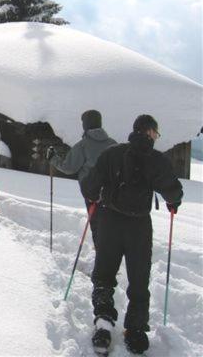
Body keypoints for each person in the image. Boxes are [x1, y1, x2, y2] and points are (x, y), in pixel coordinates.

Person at [80, 114, 183, 355]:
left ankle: (104, 323)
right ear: (149, 133)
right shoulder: (156, 160)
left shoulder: (112, 153)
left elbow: (90, 187)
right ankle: (135, 331)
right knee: (139, 277)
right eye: (156, 133)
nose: (156, 138)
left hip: (109, 221)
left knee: (104, 273)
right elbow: (173, 191)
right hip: (139, 226)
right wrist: (173, 203)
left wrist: (95, 194)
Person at [46, 110, 117, 248]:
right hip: (112, 192)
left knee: (97, 225)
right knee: (110, 225)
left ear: (85, 125)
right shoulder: (113, 143)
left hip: (91, 192)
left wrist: (53, 158)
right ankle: (110, 258)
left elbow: (69, 167)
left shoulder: (83, 145)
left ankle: (101, 262)